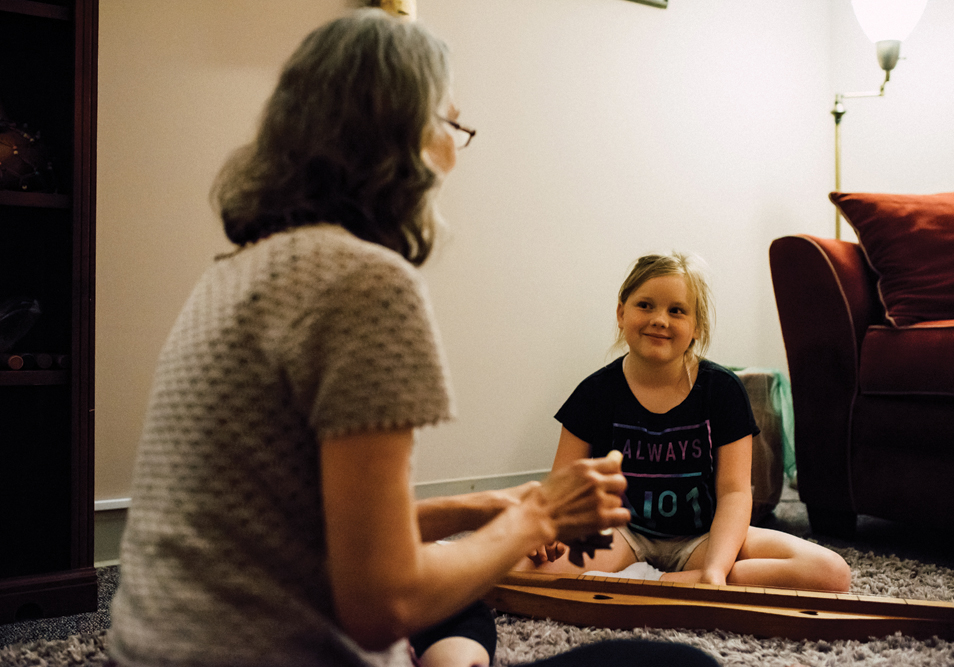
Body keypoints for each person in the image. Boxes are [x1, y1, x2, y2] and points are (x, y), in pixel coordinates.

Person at [107, 10, 720, 667]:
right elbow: (383, 607)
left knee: (456, 587)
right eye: (453, 124)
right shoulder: (365, 282)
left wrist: (488, 507)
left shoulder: (231, 272)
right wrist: (537, 514)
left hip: (148, 652)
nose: (456, 150)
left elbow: (305, 522)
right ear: (406, 136)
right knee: (683, 664)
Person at [519, 253, 852, 593]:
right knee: (512, 566)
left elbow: (735, 493)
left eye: (676, 310)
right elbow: (559, 491)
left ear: (697, 328)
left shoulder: (723, 390)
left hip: (704, 538)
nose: (660, 320)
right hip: (618, 536)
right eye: (645, 305)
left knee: (830, 573)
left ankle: (657, 583)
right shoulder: (594, 393)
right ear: (621, 313)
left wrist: (716, 570)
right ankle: (663, 583)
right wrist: (546, 531)